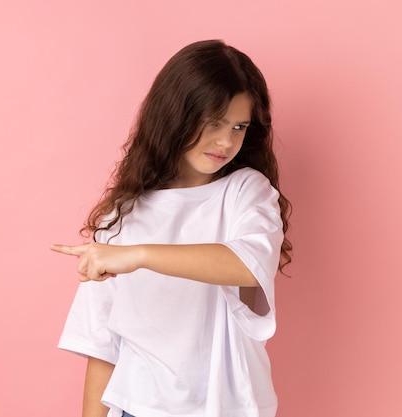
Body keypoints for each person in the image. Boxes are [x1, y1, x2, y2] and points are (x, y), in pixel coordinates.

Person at [50, 39, 292, 417]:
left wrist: (139, 255)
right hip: (136, 407)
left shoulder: (246, 192)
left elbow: (248, 263)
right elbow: (103, 344)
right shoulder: (124, 215)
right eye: (213, 122)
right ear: (176, 115)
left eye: (239, 126)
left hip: (226, 408)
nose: (226, 141)